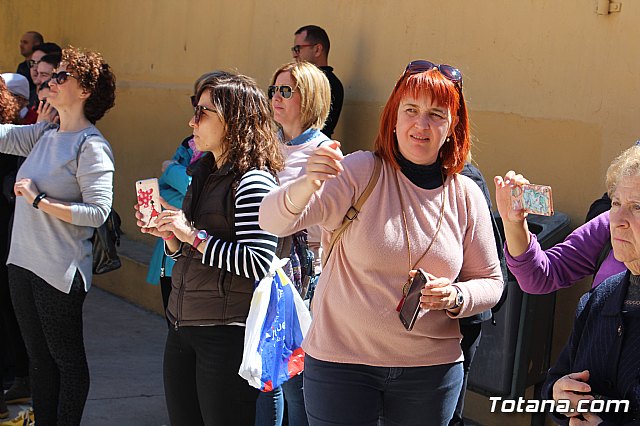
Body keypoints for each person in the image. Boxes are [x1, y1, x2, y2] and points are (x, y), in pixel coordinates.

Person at [259, 60, 503, 426]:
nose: (421, 125)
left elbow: (491, 282)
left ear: (453, 126)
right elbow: (272, 221)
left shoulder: (466, 194)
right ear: (393, 118)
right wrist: (306, 183)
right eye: (411, 110)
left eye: (437, 114)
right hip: (342, 365)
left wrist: (456, 297)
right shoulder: (361, 171)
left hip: (430, 372)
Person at [135, 71, 284, 426]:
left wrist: (193, 237)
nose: (192, 121)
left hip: (225, 333)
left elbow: (259, 262)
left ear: (233, 121)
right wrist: (172, 239)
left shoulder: (253, 181)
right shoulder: (203, 172)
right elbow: (191, 252)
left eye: (203, 113)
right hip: (184, 325)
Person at [0, 46, 116, 426]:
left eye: (61, 76)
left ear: (85, 90)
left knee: (66, 360)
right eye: (53, 75)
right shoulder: (45, 133)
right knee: (39, 360)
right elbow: (4, 135)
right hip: (22, 263)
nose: (51, 80)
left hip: (59, 270)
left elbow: (97, 213)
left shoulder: (92, 146)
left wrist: (40, 201)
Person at [538, 145, 640, 424]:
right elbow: (555, 383)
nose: (618, 220)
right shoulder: (597, 300)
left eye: (637, 207)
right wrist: (559, 395)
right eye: (616, 204)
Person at [255, 61, 331, 426]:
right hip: (262, 268)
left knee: (296, 381)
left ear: (311, 96)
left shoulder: (324, 152)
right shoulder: (265, 145)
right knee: (267, 378)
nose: (276, 98)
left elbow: (320, 221)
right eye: (273, 90)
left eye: (286, 91)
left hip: (300, 277)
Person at [292, 25, 343, 138]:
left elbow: (308, 126)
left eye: (298, 49)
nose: (295, 55)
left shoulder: (326, 83)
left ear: (317, 49)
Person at [16, 31, 44, 96]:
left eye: (25, 42)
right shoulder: (22, 66)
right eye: (21, 42)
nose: (21, 45)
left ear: (36, 44)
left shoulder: (42, 67)